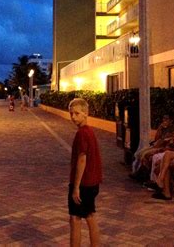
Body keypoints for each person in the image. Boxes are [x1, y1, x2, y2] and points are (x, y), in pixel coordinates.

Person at [68, 98, 102, 247]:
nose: (73, 117)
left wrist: (76, 187)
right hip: (93, 182)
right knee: (90, 215)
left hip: (84, 183)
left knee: (75, 219)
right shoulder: (90, 132)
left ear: (85, 113)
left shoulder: (82, 133)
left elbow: (82, 159)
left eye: (77, 113)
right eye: (71, 113)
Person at [130, 114, 174, 180]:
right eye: (163, 118)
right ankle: (138, 172)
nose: (164, 121)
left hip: (162, 147)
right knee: (140, 153)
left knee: (145, 154)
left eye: (166, 119)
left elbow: (164, 141)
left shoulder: (172, 130)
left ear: (171, 121)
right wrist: (160, 128)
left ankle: (143, 175)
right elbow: (156, 138)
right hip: (155, 145)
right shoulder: (163, 128)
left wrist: (159, 144)